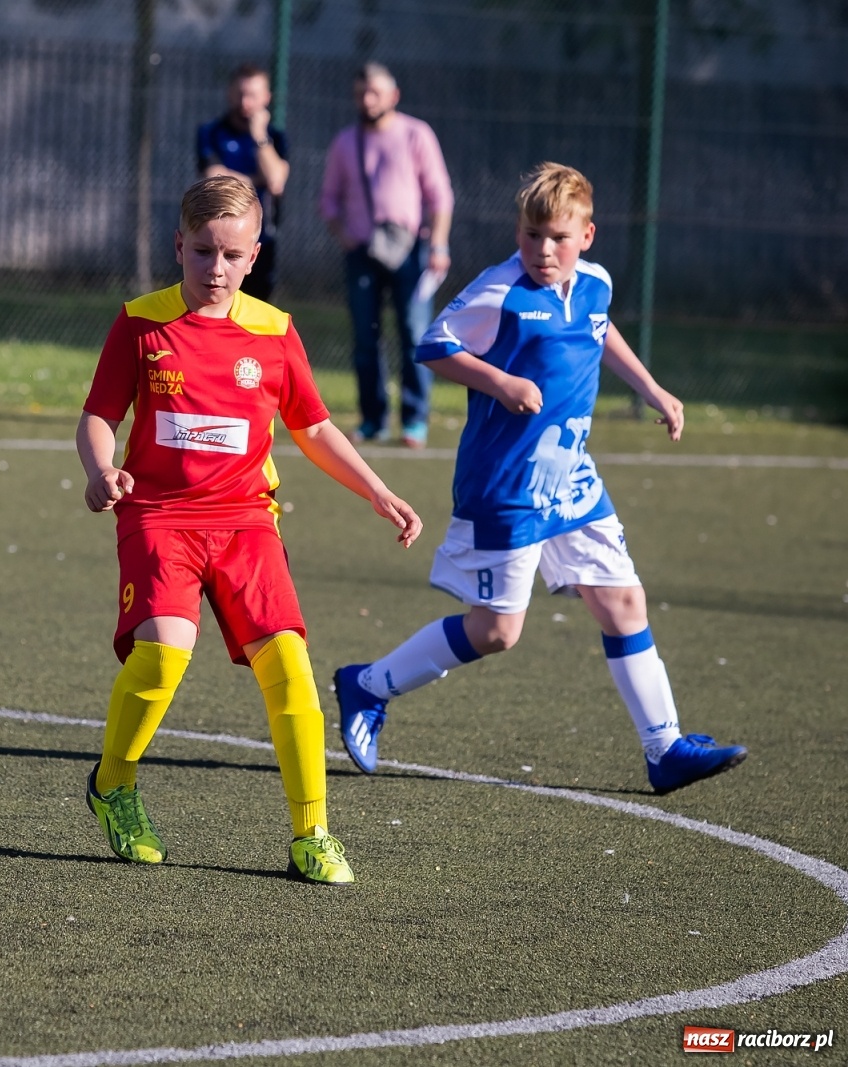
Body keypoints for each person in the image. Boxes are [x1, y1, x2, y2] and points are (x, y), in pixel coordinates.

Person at [333, 163, 746, 795]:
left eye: (558, 238)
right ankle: (368, 685)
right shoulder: (500, 291)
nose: (543, 250)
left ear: (587, 236)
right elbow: (434, 345)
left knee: (623, 602)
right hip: (507, 485)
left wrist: (652, 389)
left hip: (571, 476)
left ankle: (664, 748)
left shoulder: (595, 284)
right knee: (497, 630)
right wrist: (500, 381)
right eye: (531, 235)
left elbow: (599, 330)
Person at [76, 175, 423, 884]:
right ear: (179, 246)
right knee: (164, 655)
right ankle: (113, 785)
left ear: (254, 255)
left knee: (289, 665)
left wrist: (378, 490)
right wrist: (101, 469)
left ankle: (312, 832)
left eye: (232, 255)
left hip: (245, 521)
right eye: (203, 251)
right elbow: (99, 416)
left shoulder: (273, 331)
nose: (217, 268)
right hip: (159, 515)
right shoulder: (140, 323)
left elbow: (313, 428)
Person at [320, 62, 454, 449]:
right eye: (361, 93)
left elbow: (440, 195)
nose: (367, 100)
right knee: (366, 336)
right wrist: (345, 235)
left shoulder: (416, 134)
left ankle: (414, 420)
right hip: (362, 253)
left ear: (393, 96)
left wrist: (439, 245)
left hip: (412, 251)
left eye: (375, 93)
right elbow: (328, 200)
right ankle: (372, 419)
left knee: (414, 333)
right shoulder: (345, 142)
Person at [196, 63, 289, 302]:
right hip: (216, 238)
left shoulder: (274, 138)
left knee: (255, 308)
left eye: (252, 96)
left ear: (266, 98)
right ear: (230, 93)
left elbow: (276, 181)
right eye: (240, 94)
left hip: (261, 240)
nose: (245, 102)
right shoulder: (210, 133)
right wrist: (258, 180)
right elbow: (215, 178)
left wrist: (259, 137)